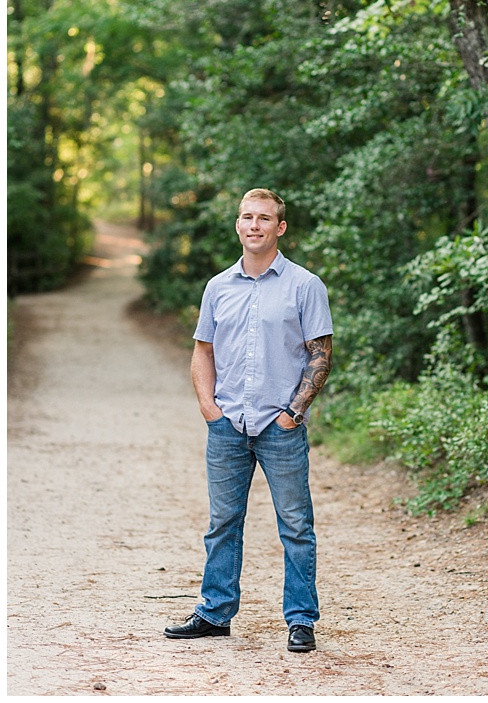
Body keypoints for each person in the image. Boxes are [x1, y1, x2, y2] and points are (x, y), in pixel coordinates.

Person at [163, 188, 334, 654]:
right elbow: (203, 352)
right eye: (246, 217)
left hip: (280, 427)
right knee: (222, 523)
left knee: (296, 526)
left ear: (280, 228)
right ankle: (215, 614)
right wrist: (210, 410)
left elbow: (321, 356)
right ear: (238, 225)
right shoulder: (218, 287)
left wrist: (292, 414)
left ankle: (301, 620)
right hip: (228, 426)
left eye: (264, 218)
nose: (254, 225)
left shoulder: (305, 286)